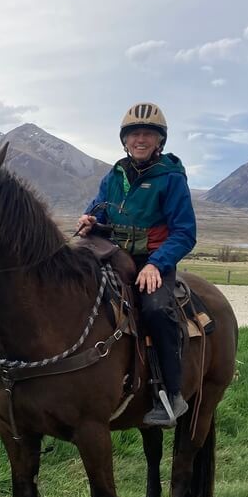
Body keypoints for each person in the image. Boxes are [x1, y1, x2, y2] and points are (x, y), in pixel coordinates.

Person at [77, 102, 196, 426]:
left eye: (148, 134)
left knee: (156, 309)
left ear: (160, 141)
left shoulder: (171, 178)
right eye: (134, 134)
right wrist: (90, 220)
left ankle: (171, 395)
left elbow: (185, 232)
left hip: (154, 260)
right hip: (114, 254)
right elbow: (99, 209)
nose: (140, 140)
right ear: (124, 140)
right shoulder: (115, 175)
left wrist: (157, 265)